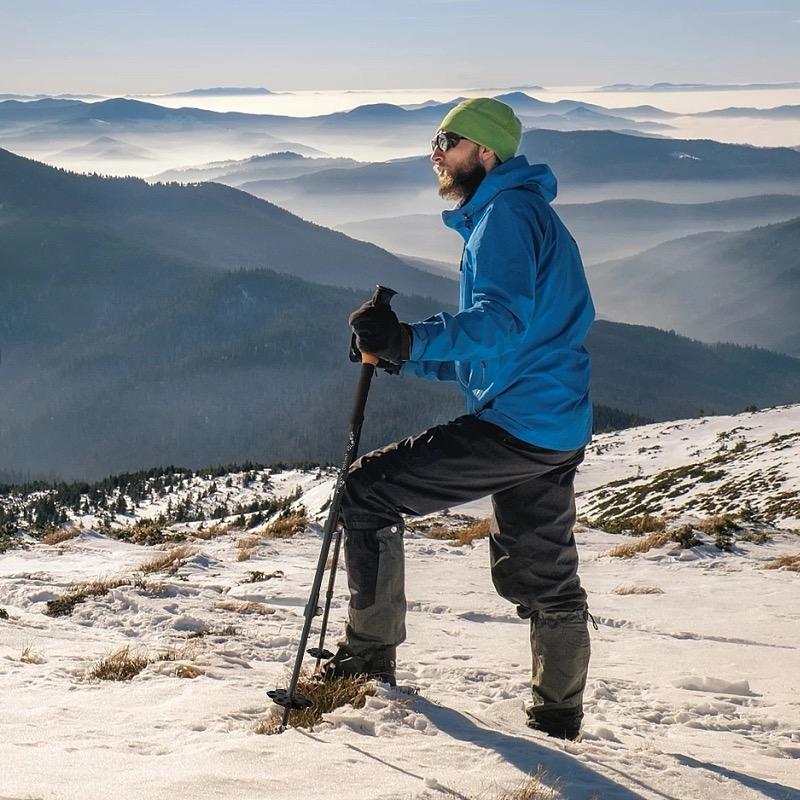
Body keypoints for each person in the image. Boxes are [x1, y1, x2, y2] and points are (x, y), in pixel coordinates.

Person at [323, 97, 595, 741]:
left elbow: (498, 323)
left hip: (519, 422)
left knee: (366, 491)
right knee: (542, 573)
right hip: (552, 421)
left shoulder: (506, 216)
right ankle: (558, 713)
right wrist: (399, 352)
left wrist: (409, 339)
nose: (435, 153)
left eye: (447, 140)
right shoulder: (520, 212)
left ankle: (367, 658)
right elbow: (495, 348)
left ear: (486, 151)